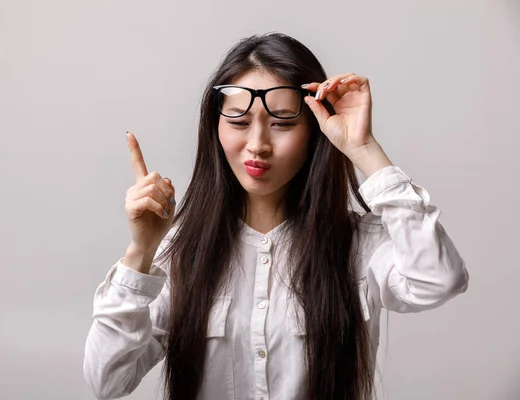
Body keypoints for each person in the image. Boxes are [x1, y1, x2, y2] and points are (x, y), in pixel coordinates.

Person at [82, 32, 469, 400]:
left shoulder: (360, 246)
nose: (257, 145)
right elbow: (107, 380)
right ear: (214, 128)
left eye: (282, 123)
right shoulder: (182, 252)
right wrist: (141, 251)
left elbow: (438, 280)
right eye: (238, 122)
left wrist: (363, 148)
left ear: (316, 133)